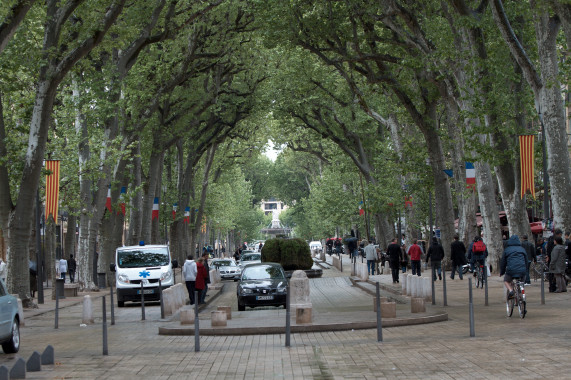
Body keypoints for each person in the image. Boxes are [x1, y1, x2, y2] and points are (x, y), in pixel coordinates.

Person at [500, 235, 528, 299]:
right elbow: (526, 260)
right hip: (522, 270)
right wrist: (525, 270)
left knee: (506, 281)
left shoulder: (507, 250)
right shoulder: (522, 249)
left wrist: (502, 272)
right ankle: (521, 295)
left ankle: (511, 290)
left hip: (511, 270)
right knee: (521, 283)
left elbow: (503, 262)